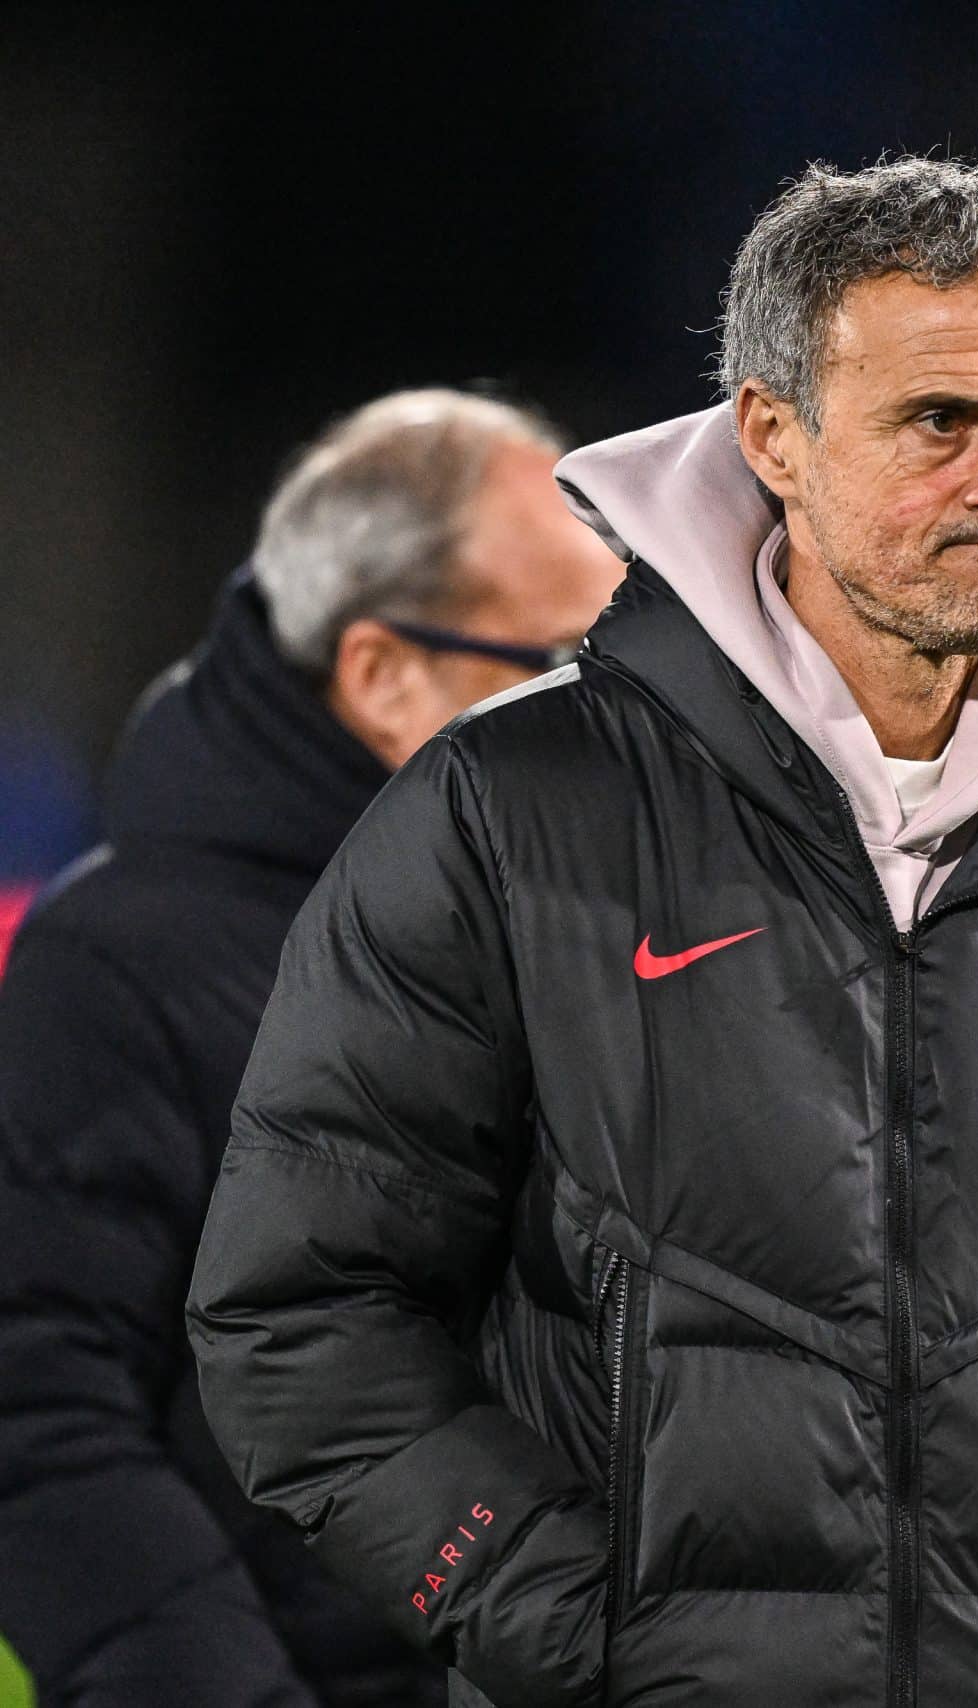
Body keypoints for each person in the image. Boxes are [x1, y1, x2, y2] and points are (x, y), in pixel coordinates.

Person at [186, 158, 978, 1707]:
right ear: (771, 436)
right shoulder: (505, 818)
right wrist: (578, 1641)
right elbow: (298, 1308)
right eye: (941, 425)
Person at [0, 389, 628, 1706]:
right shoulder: (121, 972)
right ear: (383, 675)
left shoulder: (602, 955)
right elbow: (36, 1419)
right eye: (572, 671)